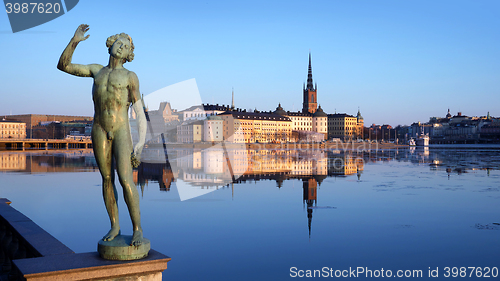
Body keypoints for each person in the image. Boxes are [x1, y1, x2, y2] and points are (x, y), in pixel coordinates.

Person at [58, 24, 147, 246]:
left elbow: (139, 113)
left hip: (121, 131)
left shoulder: (130, 77)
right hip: (98, 129)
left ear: (128, 55)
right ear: (110, 44)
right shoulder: (96, 71)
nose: (121, 47)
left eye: (125, 46)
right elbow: (63, 66)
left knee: (126, 180)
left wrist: (141, 143)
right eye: (119, 42)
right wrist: (75, 40)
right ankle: (115, 225)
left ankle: (137, 228)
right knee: (107, 179)